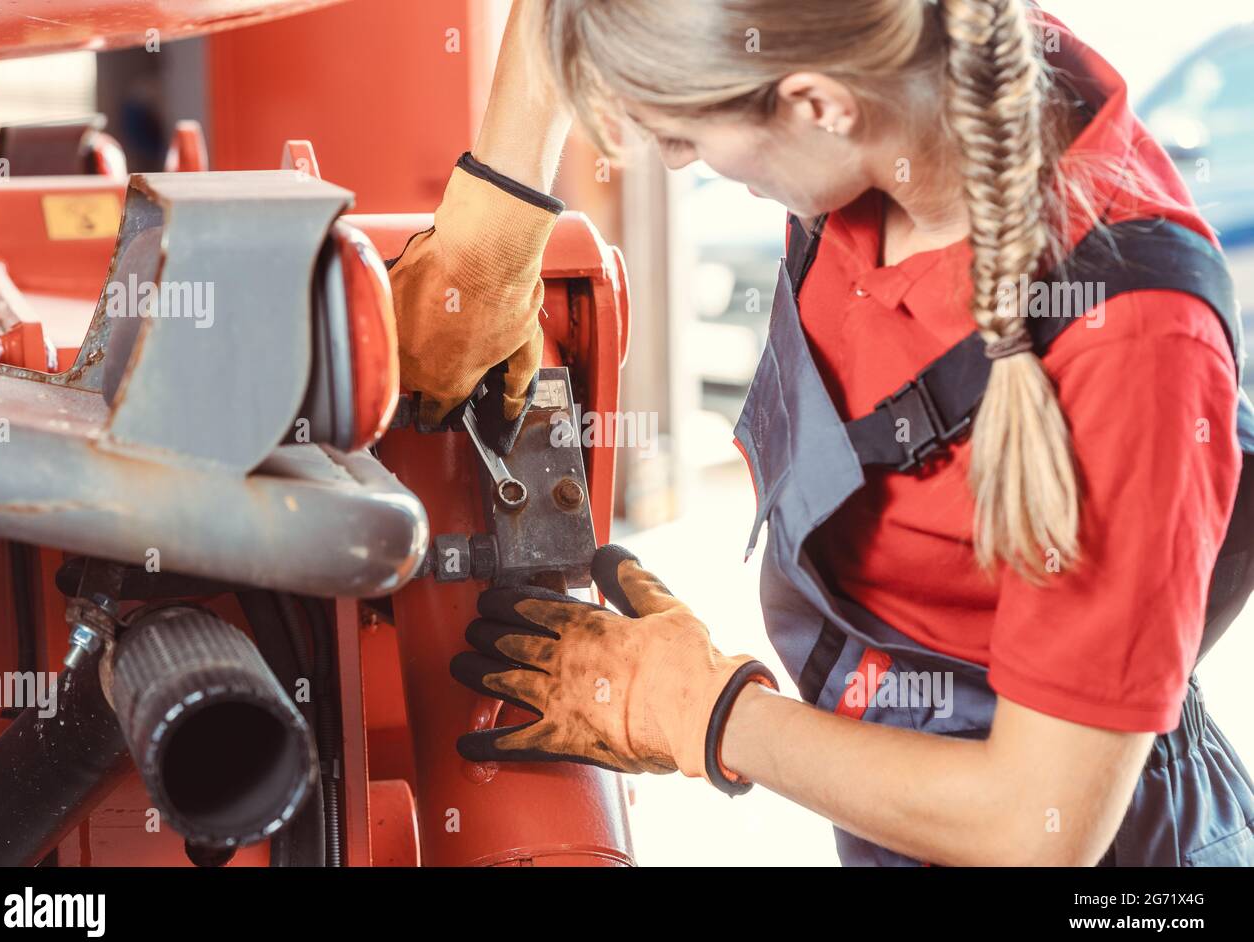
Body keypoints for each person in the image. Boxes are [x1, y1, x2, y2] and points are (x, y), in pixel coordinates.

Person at [388, 0, 1254, 866]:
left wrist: (706, 712)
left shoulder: (1135, 346)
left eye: (684, 138)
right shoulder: (885, 61)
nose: (670, 159)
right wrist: (488, 240)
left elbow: (1032, 827)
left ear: (815, 105)